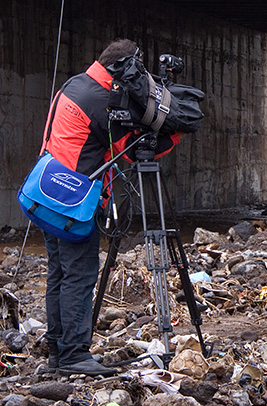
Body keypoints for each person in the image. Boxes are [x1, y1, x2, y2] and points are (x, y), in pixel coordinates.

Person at [39, 38, 180, 376]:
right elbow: (128, 151)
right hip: (73, 203)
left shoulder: (76, 85)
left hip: (48, 194)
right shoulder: (102, 101)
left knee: (58, 273)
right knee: (80, 275)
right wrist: (173, 133)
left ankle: (58, 352)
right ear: (123, 69)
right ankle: (74, 354)